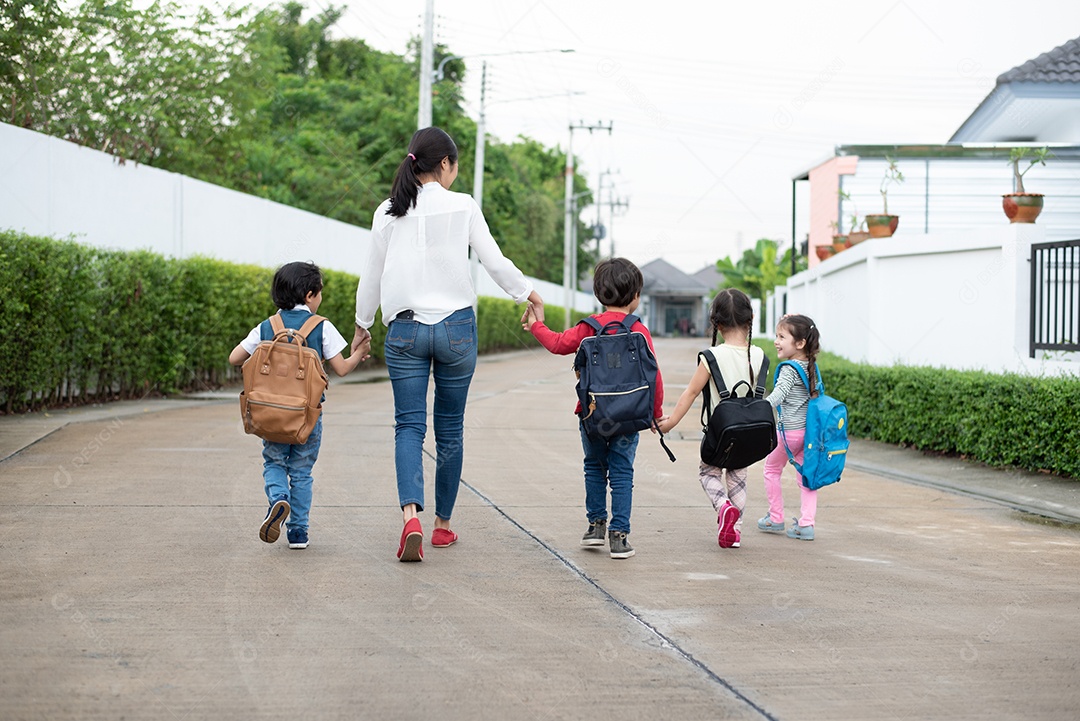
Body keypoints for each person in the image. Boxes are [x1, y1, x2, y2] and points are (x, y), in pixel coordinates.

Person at [353, 126, 543, 563]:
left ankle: (410, 521)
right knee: (451, 428)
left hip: (405, 331)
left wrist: (363, 325)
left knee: (408, 426)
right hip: (456, 329)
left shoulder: (388, 211)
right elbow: (492, 260)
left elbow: (372, 275)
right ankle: (442, 528)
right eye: (454, 168)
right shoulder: (463, 206)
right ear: (444, 166)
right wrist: (526, 293)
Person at [522, 257, 663, 560]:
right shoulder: (639, 330)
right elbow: (654, 374)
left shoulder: (587, 327)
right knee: (623, 471)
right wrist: (656, 413)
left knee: (594, 467)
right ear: (636, 296)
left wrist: (536, 325)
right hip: (629, 415)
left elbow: (558, 344)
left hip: (592, 414)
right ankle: (620, 535)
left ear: (599, 294)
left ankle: (595, 526)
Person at [229, 261, 370, 550]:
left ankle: (279, 498)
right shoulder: (321, 327)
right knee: (302, 472)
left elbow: (234, 358)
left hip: (270, 415)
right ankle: (298, 533)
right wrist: (360, 353)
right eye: (319, 293)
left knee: (274, 462)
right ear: (309, 295)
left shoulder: (267, 326)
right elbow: (341, 369)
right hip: (307, 417)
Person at [657, 289, 763, 549]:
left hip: (720, 433)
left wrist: (670, 423)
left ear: (716, 322)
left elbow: (691, 392)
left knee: (708, 472)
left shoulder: (711, 357)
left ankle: (723, 506)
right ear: (750, 319)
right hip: (748, 432)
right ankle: (735, 533)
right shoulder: (760, 355)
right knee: (738, 478)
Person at [758, 313, 820, 541]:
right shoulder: (811, 367)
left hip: (788, 434)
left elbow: (779, 394)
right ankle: (806, 524)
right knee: (806, 478)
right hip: (809, 434)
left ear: (800, 343)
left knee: (771, 470)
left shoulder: (789, 368)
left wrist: (758, 407)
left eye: (782, 336)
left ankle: (775, 518)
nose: (776, 341)